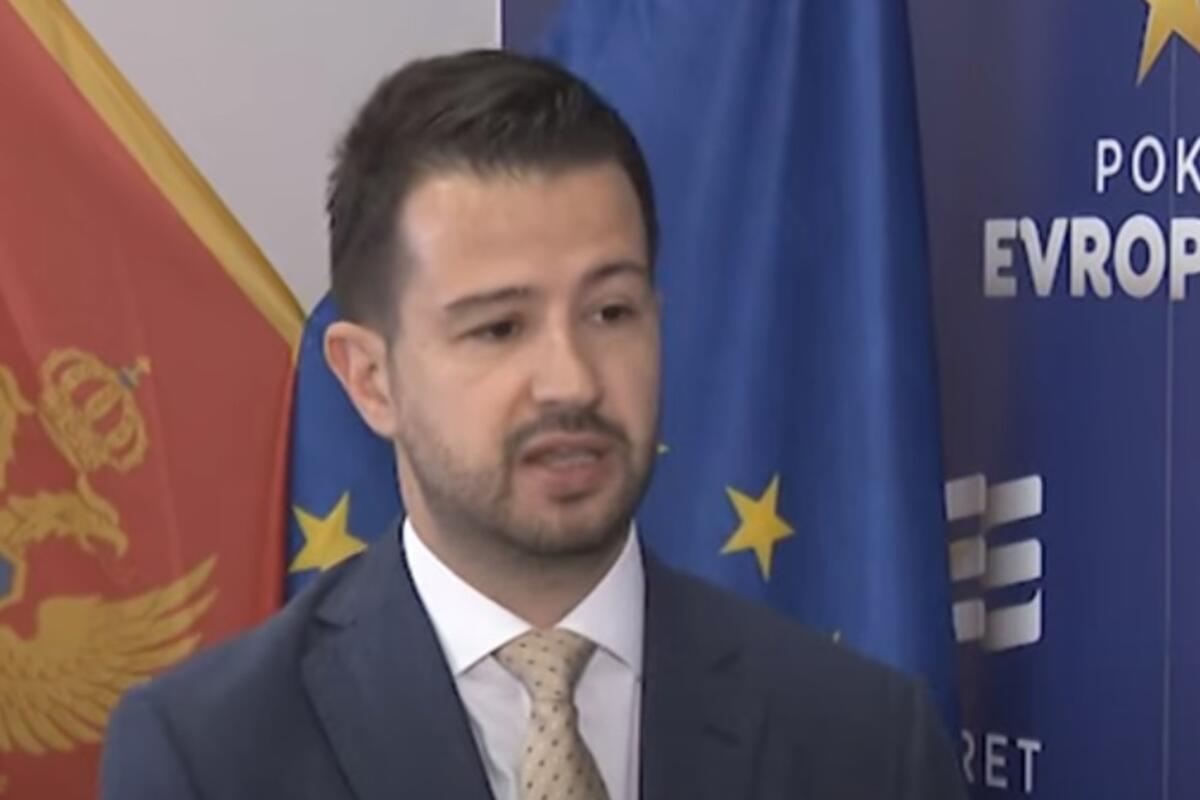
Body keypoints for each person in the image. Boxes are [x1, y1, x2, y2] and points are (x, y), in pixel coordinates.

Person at [100, 49, 966, 800]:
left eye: (611, 313)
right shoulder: (209, 755)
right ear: (370, 380)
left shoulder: (864, 740)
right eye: (500, 328)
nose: (572, 381)